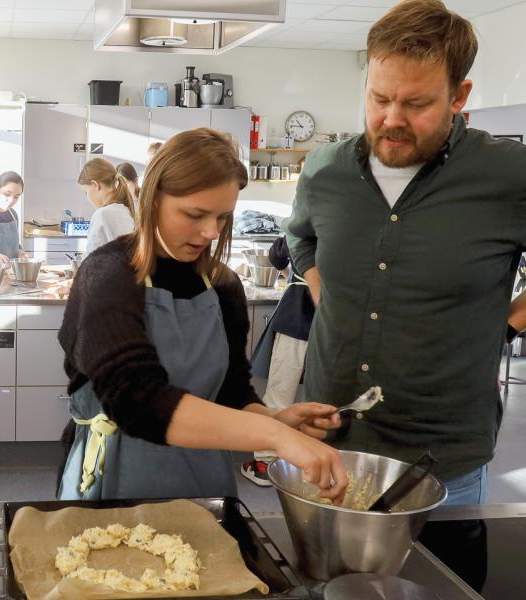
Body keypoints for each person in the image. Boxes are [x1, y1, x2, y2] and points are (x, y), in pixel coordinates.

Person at [284, 0, 526, 506]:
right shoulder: (325, 171)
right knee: (320, 583)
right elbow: (301, 238)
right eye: (378, 99)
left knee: (441, 583)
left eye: (416, 104)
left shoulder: (513, 177)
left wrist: (505, 324)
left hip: (438, 455)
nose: (391, 120)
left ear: (459, 95)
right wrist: (324, 292)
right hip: (327, 438)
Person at [57, 128, 348, 501]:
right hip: (114, 482)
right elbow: (137, 401)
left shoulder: (221, 285)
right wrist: (275, 436)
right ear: (153, 198)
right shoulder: (108, 276)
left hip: (202, 484)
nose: (210, 232)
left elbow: (229, 389)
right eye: (194, 214)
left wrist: (274, 419)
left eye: (223, 217)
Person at [243, 235, 316, 486]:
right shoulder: (353, 229)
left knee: (278, 396)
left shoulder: (302, 229)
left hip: (295, 321)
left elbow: (275, 255)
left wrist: (291, 275)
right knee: (320, 399)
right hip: (335, 327)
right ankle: (312, 465)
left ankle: (265, 464)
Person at [78, 158, 136, 253]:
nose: (88, 198)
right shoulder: (124, 210)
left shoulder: (102, 214)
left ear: (95, 185)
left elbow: (91, 259)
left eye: (86, 192)